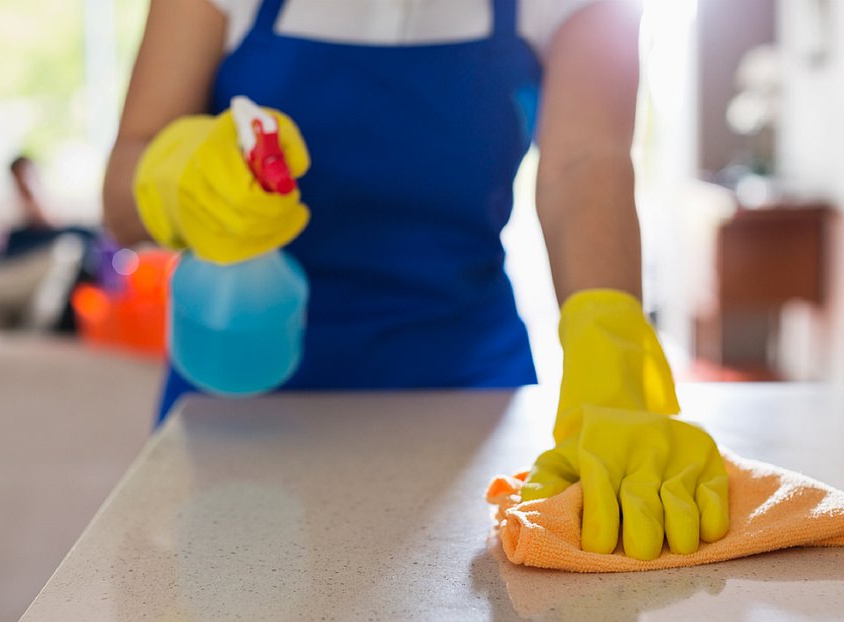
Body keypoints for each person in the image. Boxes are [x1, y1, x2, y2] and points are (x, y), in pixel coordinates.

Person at [103, 0, 730, 561]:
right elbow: (120, 192)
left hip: (469, 388)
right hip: (240, 382)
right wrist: (177, 174)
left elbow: (584, 163)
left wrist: (610, 352)